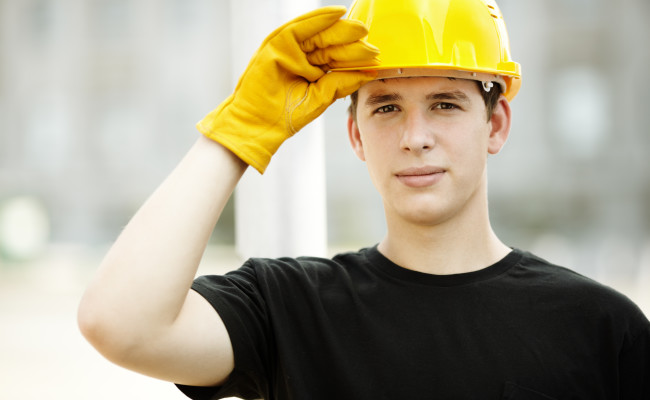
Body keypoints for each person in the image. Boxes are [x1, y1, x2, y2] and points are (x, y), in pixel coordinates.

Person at [78, 0, 650, 399]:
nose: (415, 135)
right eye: (385, 107)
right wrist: (239, 132)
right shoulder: (290, 309)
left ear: (495, 123)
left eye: (446, 104)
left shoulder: (601, 329)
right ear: (355, 135)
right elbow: (120, 323)